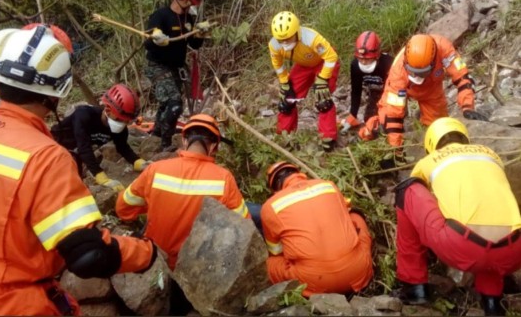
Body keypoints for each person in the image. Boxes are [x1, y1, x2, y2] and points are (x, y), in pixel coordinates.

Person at [0, 26, 156, 315]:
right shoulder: (47, 158)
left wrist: (139, 163)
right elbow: (89, 255)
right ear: (56, 94)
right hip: (12, 302)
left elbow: (124, 148)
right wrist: (145, 252)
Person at [394, 117, 521, 316]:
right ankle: (492, 302)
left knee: (407, 191)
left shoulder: (430, 160)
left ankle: (414, 286)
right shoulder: (491, 155)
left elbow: (421, 193)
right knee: (489, 215)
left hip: (463, 247)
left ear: (431, 145)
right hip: (514, 251)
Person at [116, 113, 250, 271]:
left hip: (154, 258)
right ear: (214, 146)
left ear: (184, 140)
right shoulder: (223, 179)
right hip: (194, 266)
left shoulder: (155, 170)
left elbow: (122, 208)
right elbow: (245, 226)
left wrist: (155, 204)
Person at [261, 161, 373, 297]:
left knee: (269, 264)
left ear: (275, 189)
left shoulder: (270, 207)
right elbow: (347, 207)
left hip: (314, 282)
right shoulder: (328, 185)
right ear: (299, 174)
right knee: (355, 216)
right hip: (357, 271)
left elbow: (276, 251)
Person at [359, 34, 487, 152]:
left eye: (421, 73)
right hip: (404, 87)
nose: (417, 76)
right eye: (413, 72)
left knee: (438, 127)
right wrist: (396, 151)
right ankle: (366, 133)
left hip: (431, 90)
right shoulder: (398, 73)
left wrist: (467, 106)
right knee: (385, 120)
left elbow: (463, 77)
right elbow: (393, 115)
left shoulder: (443, 49)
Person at [145, 0, 211, 152]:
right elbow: (147, 43)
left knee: (165, 104)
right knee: (174, 104)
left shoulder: (187, 18)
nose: (191, 6)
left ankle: (157, 134)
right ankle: (165, 145)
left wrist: (200, 34)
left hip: (176, 67)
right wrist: (156, 39)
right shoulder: (160, 16)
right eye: (190, 2)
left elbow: (193, 45)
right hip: (157, 66)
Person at [51, 83, 150, 191]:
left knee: (77, 182)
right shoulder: (84, 115)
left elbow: (123, 147)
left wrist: (140, 163)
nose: (124, 123)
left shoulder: (119, 128)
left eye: (127, 121)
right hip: (55, 144)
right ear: (108, 110)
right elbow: (84, 148)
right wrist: (101, 177)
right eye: (120, 119)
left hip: (76, 151)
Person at [269, 11, 340, 151]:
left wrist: (322, 78)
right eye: (281, 40)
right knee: (287, 100)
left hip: (324, 62)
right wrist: (284, 82)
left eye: (288, 39)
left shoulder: (311, 38)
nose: (284, 43)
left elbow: (331, 57)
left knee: (323, 98)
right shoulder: (274, 45)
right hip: (303, 65)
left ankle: (328, 138)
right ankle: (285, 136)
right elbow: (277, 64)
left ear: (296, 32)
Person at [341, 31, 393, 132]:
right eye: (360, 59)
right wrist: (353, 115)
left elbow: (397, 87)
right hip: (374, 94)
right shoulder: (355, 66)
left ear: (377, 55)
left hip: (390, 94)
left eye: (368, 59)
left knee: (389, 123)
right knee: (369, 123)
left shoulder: (388, 64)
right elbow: (356, 91)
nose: (364, 62)